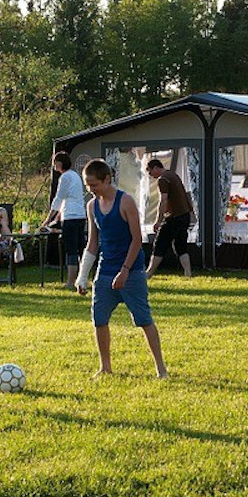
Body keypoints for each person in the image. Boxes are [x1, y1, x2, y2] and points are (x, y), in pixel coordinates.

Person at [75, 158, 167, 378]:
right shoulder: (92, 206)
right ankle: (105, 367)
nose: (91, 189)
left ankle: (161, 369)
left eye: (94, 184)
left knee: (144, 320)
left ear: (107, 179)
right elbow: (93, 243)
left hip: (131, 271)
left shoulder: (126, 202)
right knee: (99, 320)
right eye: (87, 185)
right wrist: (82, 276)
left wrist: (125, 270)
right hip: (105, 272)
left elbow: (137, 240)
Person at [41, 151, 86, 288]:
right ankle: (82, 279)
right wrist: (57, 216)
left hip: (71, 217)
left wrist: (48, 219)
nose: (54, 166)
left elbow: (59, 198)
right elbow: (69, 198)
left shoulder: (65, 177)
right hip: (80, 215)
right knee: (81, 248)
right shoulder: (75, 176)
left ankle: (71, 282)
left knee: (71, 250)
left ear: (60, 163)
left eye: (55, 163)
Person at [144, 158, 194, 278]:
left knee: (160, 243)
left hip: (174, 217)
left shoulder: (163, 179)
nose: (151, 175)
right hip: (185, 215)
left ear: (156, 168)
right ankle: (188, 273)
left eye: (150, 172)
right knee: (181, 245)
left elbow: (163, 201)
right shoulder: (172, 175)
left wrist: (158, 221)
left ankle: (149, 272)